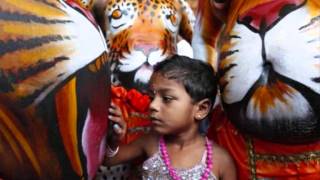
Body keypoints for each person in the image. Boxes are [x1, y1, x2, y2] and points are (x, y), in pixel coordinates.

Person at [104, 55, 236, 180]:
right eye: (151, 98)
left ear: (201, 109)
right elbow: (109, 160)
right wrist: (113, 141)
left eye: (167, 99)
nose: (153, 106)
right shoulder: (150, 142)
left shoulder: (221, 161)